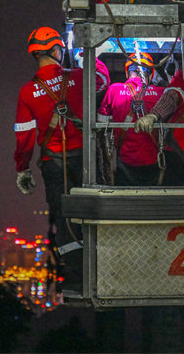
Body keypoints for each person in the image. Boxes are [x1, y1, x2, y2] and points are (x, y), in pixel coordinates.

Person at [13, 26, 110, 291]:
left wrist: (23, 170)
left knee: (63, 219)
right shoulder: (78, 77)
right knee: (94, 211)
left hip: (54, 163)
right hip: (86, 160)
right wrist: (90, 59)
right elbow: (102, 81)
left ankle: (78, 277)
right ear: (57, 50)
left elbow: (24, 139)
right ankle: (103, 265)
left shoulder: (26, 92)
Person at [98, 52, 166, 186]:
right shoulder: (160, 92)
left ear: (127, 73)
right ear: (151, 73)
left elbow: (102, 124)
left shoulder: (114, 90)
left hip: (124, 162)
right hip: (154, 162)